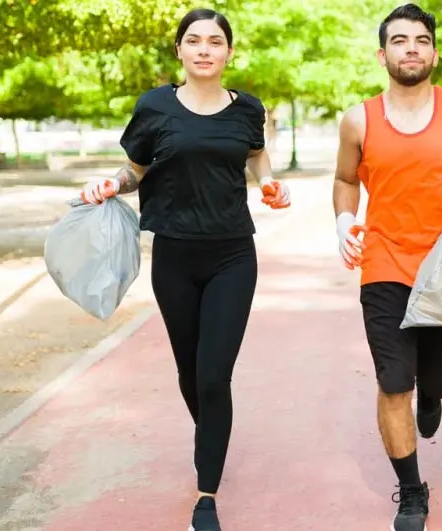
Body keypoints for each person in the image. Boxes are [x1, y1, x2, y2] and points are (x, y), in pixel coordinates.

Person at [77, 9, 290, 531]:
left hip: (233, 256)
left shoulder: (248, 110)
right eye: (193, 41)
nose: (203, 49)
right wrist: (112, 185)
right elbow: (137, 170)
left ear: (229, 53)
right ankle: (211, 431)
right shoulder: (154, 107)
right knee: (189, 371)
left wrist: (269, 183)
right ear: (179, 51)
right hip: (173, 256)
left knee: (215, 375)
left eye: (214, 42)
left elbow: (256, 157)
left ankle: (206, 496)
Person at [331, 4, 442, 530]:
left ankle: (434, 394)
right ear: (382, 54)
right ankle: (411, 492)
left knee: (440, 378)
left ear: (433, 51)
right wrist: (344, 220)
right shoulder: (359, 118)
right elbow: (345, 179)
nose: (412, 47)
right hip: (384, 264)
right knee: (392, 384)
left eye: (422, 40)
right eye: (401, 40)